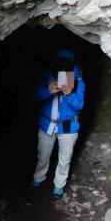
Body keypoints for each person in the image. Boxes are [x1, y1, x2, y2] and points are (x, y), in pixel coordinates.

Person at [32, 48, 85, 198]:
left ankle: (58, 185)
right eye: (59, 63)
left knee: (64, 159)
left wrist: (69, 94)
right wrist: (47, 91)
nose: (62, 68)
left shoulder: (78, 79)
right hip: (47, 124)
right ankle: (38, 178)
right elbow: (35, 95)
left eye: (66, 64)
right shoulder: (47, 75)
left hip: (68, 127)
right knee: (43, 155)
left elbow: (79, 105)